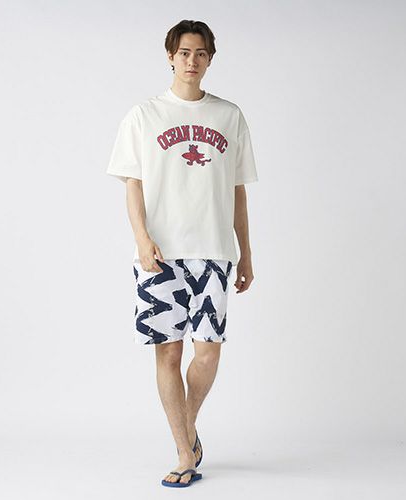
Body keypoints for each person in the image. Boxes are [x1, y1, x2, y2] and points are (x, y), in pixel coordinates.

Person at [106, 19, 258, 488]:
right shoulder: (143, 115)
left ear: (210, 59)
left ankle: (186, 427)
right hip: (161, 254)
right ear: (170, 56)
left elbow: (237, 191)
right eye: (185, 52)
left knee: (207, 354)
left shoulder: (229, 116)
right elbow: (132, 184)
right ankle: (183, 453)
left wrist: (246, 253)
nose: (192, 61)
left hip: (213, 251)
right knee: (168, 353)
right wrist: (141, 239)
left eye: (201, 53)